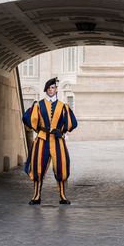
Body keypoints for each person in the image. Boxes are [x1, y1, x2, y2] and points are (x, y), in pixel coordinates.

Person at [22, 77, 78, 205]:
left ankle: (62, 196)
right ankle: (36, 196)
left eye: (52, 88)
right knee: (38, 167)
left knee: (61, 167)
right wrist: (38, 129)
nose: (51, 90)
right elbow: (28, 119)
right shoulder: (38, 105)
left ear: (56, 89)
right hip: (42, 140)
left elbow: (71, 122)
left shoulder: (63, 106)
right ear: (46, 90)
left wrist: (62, 131)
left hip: (57, 140)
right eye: (48, 88)